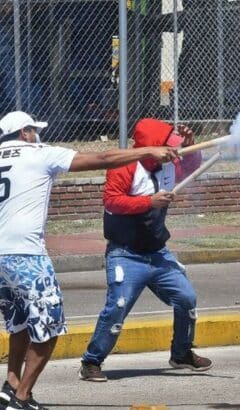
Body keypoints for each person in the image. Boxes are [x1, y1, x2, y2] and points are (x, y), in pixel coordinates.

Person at [0, 111, 177, 410]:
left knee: (20, 324)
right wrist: (148, 150)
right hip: (26, 255)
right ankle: (22, 398)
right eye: (34, 129)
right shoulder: (39, 153)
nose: (37, 135)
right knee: (49, 326)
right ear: (25, 133)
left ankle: (11, 384)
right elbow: (104, 158)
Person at [79, 118, 212, 382]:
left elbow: (191, 167)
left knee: (187, 299)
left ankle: (182, 353)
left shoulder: (168, 165)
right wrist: (149, 202)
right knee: (117, 306)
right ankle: (91, 361)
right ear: (151, 146)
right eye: (167, 146)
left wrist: (191, 146)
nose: (171, 152)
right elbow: (112, 201)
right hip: (125, 253)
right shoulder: (124, 166)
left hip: (158, 251)